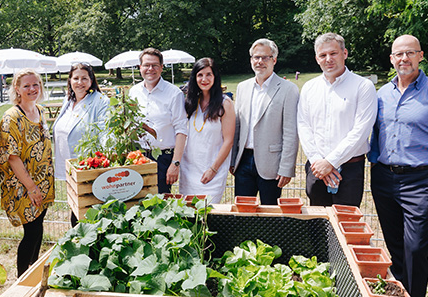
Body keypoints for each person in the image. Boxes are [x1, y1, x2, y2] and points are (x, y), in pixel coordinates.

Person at [368, 35, 428, 297]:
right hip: (384, 177)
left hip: (422, 180)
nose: (403, 59)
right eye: (398, 54)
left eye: (410, 53)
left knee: (417, 247)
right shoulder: (380, 94)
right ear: (391, 59)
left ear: (421, 56)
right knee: (395, 245)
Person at [297, 33, 377, 207]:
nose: (328, 59)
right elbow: (303, 126)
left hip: (349, 170)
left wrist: (331, 162)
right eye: (322, 55)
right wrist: (319, 162)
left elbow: (361, 130)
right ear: (316, 58)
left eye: (333, 53)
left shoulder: (363, 86)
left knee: (344, 224)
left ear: (345, 53)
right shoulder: (310, 88)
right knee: (317, 225)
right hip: (316, 167)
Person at [0, 70, 55, 276]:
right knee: (31, 232)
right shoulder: (12, 117)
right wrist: (31, 188)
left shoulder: (39, 110)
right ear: (17, 88)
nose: (32, 89)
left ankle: (34, 272)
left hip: (43, 181)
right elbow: (12, 157)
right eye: (26, 86)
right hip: (24, 186)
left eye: (36, 85)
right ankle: (22, 277)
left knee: (38, 228)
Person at [230, 38, 300, 205]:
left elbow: (291, 132)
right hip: (243, 161)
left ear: (274, 60)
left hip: (272, 165)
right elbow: (237, 126)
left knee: (270, 215)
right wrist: (233, 160)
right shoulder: (242, 87)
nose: (259, 61)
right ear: (251, 60)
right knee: (244, 214)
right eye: (256, 57)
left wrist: (286, 167)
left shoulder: (288, 89)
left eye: (265, 57)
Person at [52, 63, 109, 225]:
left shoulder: (100, 101)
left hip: (89, 168)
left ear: (91, 81)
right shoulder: (68, 101)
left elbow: (105, 131)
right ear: (70, 80)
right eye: (76, 78)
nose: (80, 82)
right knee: (75, 208)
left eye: (84, 78)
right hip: (70, 167)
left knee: (86, 213)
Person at [128, 48, 187, 194]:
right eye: (146, 65)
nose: (150, 69)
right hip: (138, 157)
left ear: (161, 68)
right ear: (140, 67)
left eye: (155, 65)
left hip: (163, 159)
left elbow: (181, 129)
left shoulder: (174, 94)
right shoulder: (133, 92)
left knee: (159, 206)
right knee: (136, 202)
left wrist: (175, 163)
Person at [178, 58, 235, 203]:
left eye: (209, 74)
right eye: (200, 75)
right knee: (188, 215)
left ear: (215, 77)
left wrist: (213, 169)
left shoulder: (225, 103)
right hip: (189, 170)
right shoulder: (190, 103)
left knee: (207, 214)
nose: (204, 79)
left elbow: (228, 141)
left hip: (212, 171)